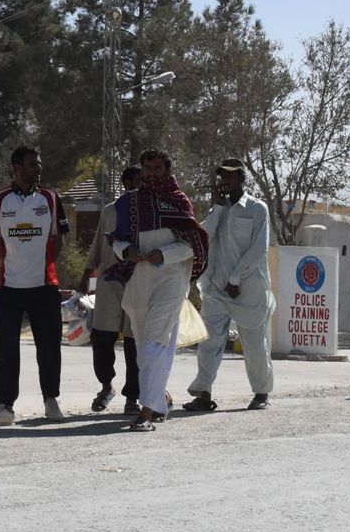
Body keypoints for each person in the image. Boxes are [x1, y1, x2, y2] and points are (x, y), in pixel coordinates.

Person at [107, 148, 208, 432]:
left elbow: (192, 246)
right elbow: (117, 240)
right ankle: (160, 400)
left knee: (154, 344)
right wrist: (127, 251)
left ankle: (147, 413)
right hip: (139, 281)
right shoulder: (128, 202)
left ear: (168, 170)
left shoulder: (178, 201)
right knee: (144, 350)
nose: (152, 174)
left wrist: (164, 254)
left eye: (157, 169)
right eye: (147, 168)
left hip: (171, 280)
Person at [0, 147, 70, 426]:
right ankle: (5, 407)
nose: (38, 169)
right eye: (33, 164)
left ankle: (51, 401)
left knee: (49, 347)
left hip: (45, 286)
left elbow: (59, 239)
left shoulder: (50, 197)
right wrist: (16, 266)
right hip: (10, 287)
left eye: (39, 164)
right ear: (17, 167)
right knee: (7, 349)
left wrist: (41, 266)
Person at [184, 158, 275, 411]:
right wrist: (217, 207)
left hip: (248, 287)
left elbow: (259, 249)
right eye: (222, 176)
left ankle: (261, 393)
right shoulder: (218, 209)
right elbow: (205, 237)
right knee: (209, 342)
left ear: (242, 178)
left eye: (231, 176)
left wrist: (235, 279)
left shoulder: (257, 208)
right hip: (216, 288)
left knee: (254, 343)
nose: (225, 180)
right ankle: (203, 394)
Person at [76, 166, 142, 415]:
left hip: (138, 284)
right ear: (127, 183)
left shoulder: (150, 212)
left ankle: (132, 397)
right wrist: (85, 276)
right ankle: (106, 386)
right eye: (138, 181)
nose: (142, 185)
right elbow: (97, 246)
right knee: (102, 338)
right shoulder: (110, 211)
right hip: (109, 283)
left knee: (134, 343)